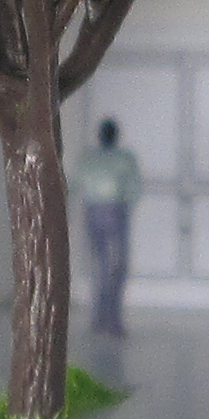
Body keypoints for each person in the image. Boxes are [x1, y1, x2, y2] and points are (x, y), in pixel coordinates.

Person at [75, 118, 144, 335]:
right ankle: (108, 318)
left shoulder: (90, 158)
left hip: (98, 210)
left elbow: (77, 184)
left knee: (104, 265)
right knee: (113, 265)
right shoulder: (122, 158)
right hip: (113, 210)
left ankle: (103, 318)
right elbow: (134, 188)